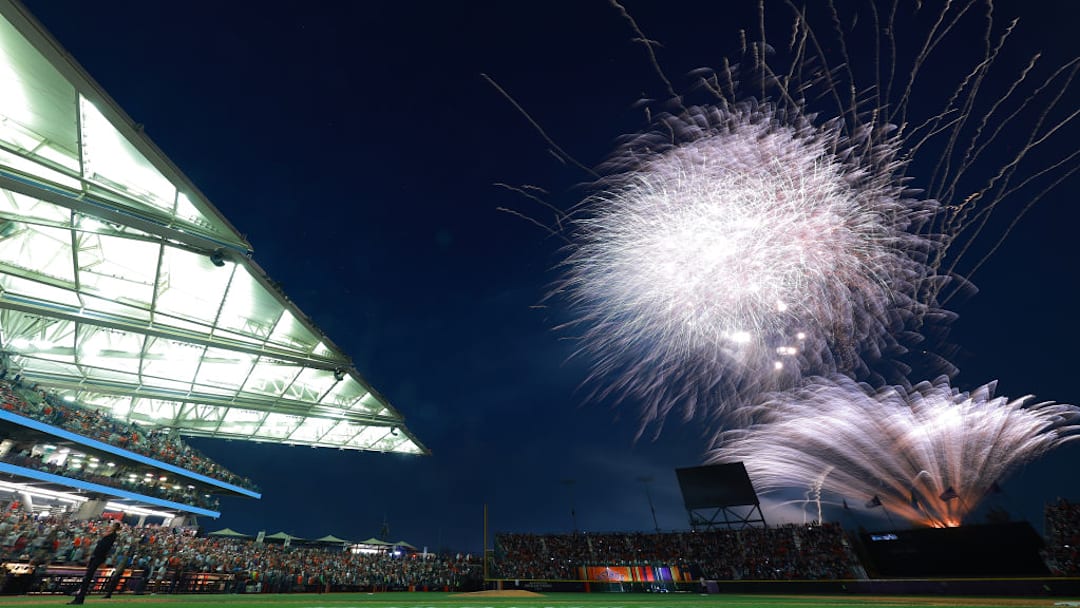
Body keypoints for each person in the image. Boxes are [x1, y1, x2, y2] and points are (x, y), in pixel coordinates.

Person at [69, 522, 121, 605]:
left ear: (114, 527)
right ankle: (80, 597)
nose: (109, 527)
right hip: (97, 557)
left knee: (87, 577)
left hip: (98, 557)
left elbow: (102, 548)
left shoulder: (111, 536)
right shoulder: (110, 536)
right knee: (87, 577)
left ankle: (80, 598)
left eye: (111, 526)